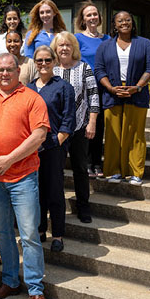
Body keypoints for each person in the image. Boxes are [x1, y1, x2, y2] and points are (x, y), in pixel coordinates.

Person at [0, 52, 51, 299]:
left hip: (24, 177)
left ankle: (36, 289)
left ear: (18, 72)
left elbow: (39, 135)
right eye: (0, 70)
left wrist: (8, 159)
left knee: (28, 234)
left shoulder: (32, 98)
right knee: (3, 232)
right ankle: (9, 281)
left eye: (9, 69)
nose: (4, 74)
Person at [94, 11, 150, 185]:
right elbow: (99, 70)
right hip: (111, 94)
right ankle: (114, 172)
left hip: (137, 93)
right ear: (114, 25)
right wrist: (111, 89)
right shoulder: (105, 46)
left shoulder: (145, 44)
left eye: (128, 19)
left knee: (135, 134)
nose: (124, 23)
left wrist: (137, 87)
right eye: (120, 20)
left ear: (133, 22)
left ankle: (135, 172)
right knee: (113, 135)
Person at [28, 46, 76, 252]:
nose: (44, 64)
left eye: (47, 60)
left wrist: (57, 140)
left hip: (53, 147)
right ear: (35, 63)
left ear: (54, 62)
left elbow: (69, 118)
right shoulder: (28, 88)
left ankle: (57, 234)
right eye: (39, 61)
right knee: (35, 192)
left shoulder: (64, 87)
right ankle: (39, 230)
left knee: (54, 191)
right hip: (31, 149)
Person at [51, 32, 99, 223]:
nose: (64, 48)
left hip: (80, 126)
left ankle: (83, 207)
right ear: (55, 49)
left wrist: (92, 122)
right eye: (60, 45)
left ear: (74, 48)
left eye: (68, 45)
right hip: (58, 129)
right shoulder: (51, 70)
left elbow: (94, 96)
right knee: (56, 170)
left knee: (80, 168)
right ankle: (57, 208)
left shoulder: (84, 68)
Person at [74, 1, 110, 178]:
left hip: (103, 88)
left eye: (95, 14)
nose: (92, 17)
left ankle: (97, 162)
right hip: (84, 88)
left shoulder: (107, 39)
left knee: (99, 125)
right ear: (83, 19)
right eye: (88, 15)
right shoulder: (78, 39)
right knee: (86, 125)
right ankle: (87, 162)